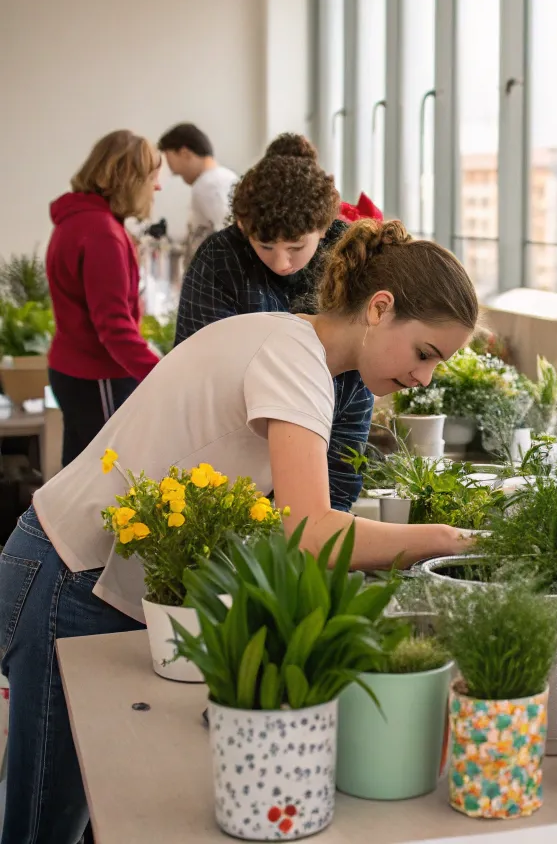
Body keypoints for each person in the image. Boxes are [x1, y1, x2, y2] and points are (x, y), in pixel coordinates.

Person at [0, 218, 477, 844]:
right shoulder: (293, 359)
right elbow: (311, 532)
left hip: (77, 568)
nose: (425, 378)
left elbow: (287, 522)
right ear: (379, 309)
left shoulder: (289, 343)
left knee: (87, 814)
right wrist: (446, 540)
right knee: (45, 825)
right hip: (65, 574)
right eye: (425, 353)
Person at [174, 134, 370, 510]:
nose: (282, 262)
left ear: (324, 225)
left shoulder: (347, 253)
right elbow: (198, 375)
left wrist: (335, 504)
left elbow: (355, 381)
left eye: (297, 247)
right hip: (229, 459)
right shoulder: (219, 259)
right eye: (265, 246)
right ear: (244, 225)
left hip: (330, 438)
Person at [46, 130, 162, 466]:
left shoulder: (78, 220)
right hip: (98, 377)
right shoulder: (101, 233)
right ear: (129, 179)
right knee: (116, 485)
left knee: (76, 484)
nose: (158, 187)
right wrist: (161, 373)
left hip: (75, 372)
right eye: (152, 177)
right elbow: (113, 327)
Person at [157, 122, 238, 263]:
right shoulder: (224, 177)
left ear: (185, 153)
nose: (173, 171)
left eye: (170, 162)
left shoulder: (208, 185)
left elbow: (229, 234)